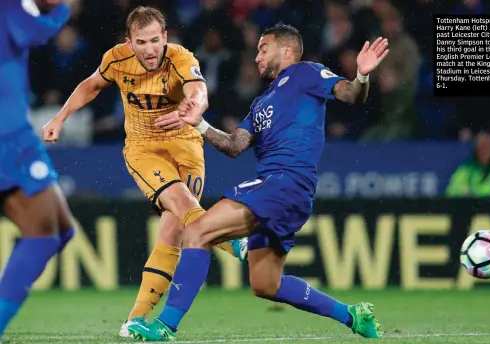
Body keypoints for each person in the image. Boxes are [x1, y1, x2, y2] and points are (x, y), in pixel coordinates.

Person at [128, 23, 389, 341]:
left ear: (287, 50)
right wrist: (199, 124)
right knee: (266, 284)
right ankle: (352, 316)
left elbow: (350, 94)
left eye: (264, 49)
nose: (257, 57)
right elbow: (234, 146)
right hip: (288, 195)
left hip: (283, 182)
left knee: (196, 231)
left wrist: (361, 76)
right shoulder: (261, 103)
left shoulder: (306, 74)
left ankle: (165, 326)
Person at [41, 6, 248, 338]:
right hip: (144, 149)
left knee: (172, 231)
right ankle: (229, 238)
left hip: (187, 145)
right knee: (182, 205)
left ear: (165, 37)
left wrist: (194, 108)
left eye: (155, 40)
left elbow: (199, 89)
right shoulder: (116, 59)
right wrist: (60, 118)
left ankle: (135, 320)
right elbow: (91, 85)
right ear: (130, 42)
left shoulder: (180, 56)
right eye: (142, 42)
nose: (150, 49)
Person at [0, 0, 75, 339]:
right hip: (5, 139)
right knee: (43, 232)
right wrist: (61, 10)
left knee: (60, 231)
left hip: (16, 136)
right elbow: (34, 32)